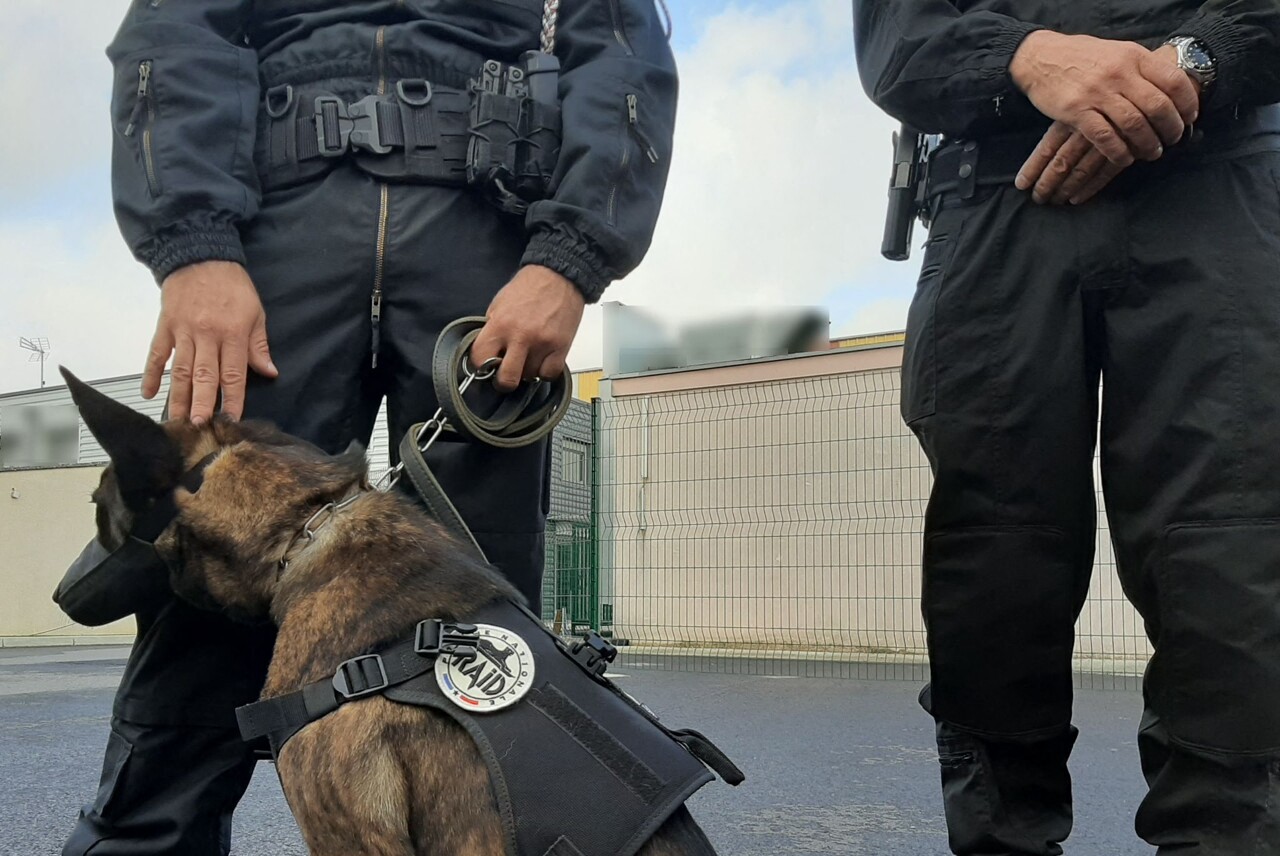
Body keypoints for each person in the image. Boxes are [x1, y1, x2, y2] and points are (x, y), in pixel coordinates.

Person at [64, 2, 677, 854]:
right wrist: (193, 243)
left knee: (482, 656)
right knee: (200, 614)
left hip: (488, 242)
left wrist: (570, 259)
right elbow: (175, 27)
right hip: (273, 243)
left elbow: (619, 50)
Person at [853, 2, 1280, 853]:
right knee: (995, 570)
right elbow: (897, 41)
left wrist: (1187, 63)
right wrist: (1027, 55)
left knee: (1228, 567)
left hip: (1215, 176)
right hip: (996, 191)